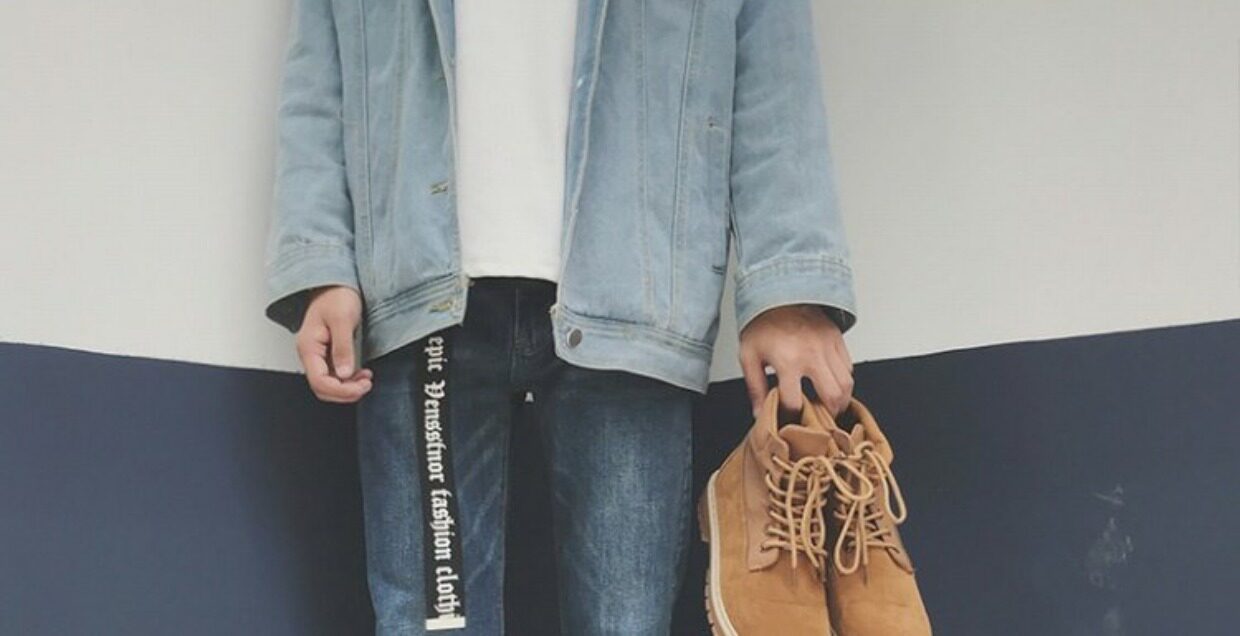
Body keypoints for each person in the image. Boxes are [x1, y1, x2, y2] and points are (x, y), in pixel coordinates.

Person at [264, 1, 857, 634]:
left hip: (632, 287)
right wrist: (321, 259)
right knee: (428, 627)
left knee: (625, 625)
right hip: (421, 286)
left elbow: (772, 64)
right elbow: (321, 78)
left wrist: (789, 288)